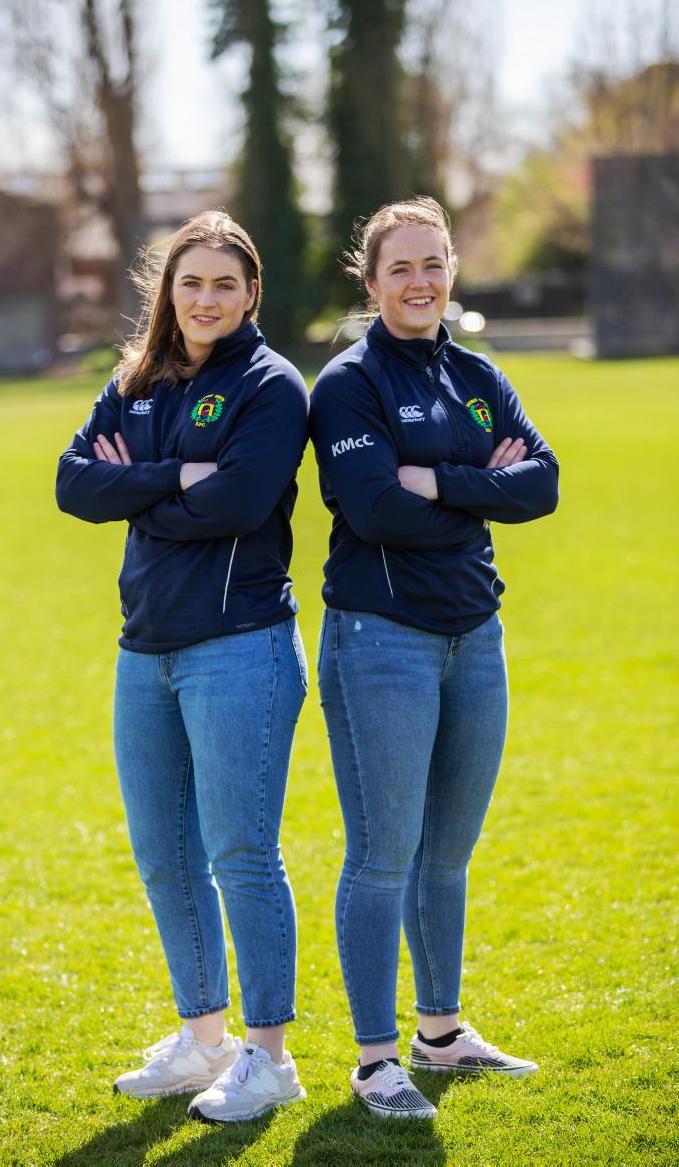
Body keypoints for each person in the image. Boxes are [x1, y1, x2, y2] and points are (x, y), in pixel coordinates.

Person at [55, 211, 310, 1124]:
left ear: (251, 294)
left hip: (240, 647)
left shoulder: (271, 385)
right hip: (145, 652)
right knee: (164, 855)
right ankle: (205, 1041)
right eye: (190, 282)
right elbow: (73, 483)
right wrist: (175, 476)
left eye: (224, 284)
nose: (206, 299)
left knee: (242, 855)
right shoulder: (137, 378)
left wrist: (135, 485)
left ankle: (269, 1059)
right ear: (168, 291)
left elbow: (236, 502)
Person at [309, 197, 559, 1119]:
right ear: (370, 280)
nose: (420, 283)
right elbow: (374, 509)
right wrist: (484, 487)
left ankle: (441, 1034)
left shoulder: (479, 373)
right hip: (381, 640)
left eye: (434, 264)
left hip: (476, 637)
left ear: (452, 271)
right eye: (401, 268)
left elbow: (544, 483)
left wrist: (440, 482)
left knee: (447, 854)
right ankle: (377, 1060)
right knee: (383, 856)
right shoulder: (348, 384)